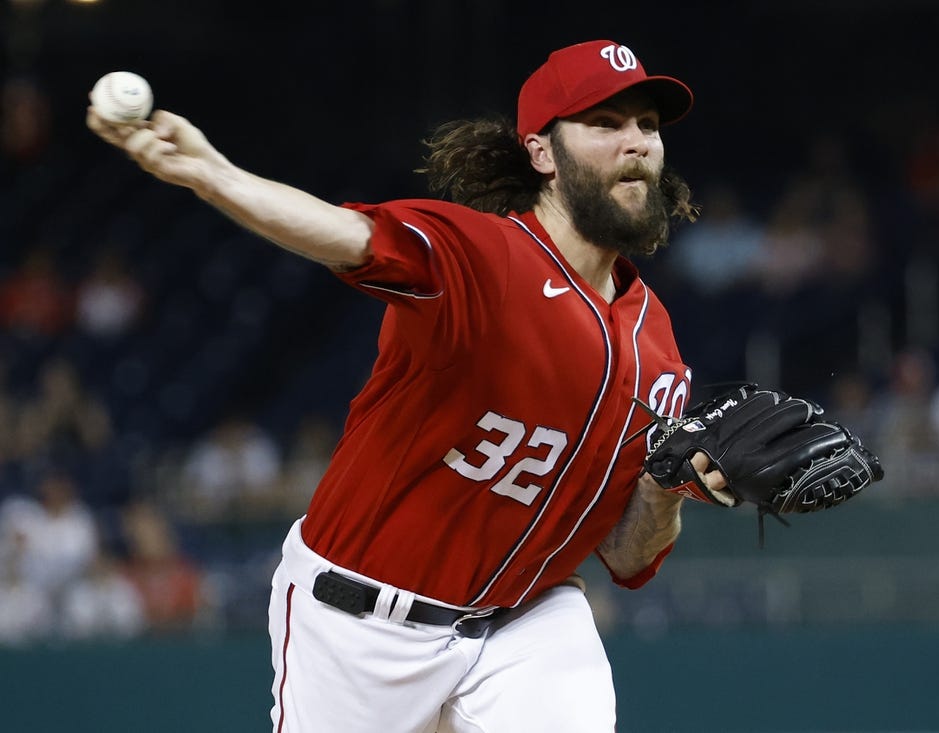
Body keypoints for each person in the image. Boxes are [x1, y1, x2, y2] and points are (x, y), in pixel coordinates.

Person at [88, 39, 725, 732]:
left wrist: (664, 486)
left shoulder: (658, 347)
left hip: (525, 618)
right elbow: (351, 235)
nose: (636, 143)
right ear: (542, 153)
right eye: (605, 124)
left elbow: (628, 557)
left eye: (648, 126)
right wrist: (215, 175)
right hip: (357, 621)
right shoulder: (484, 258)